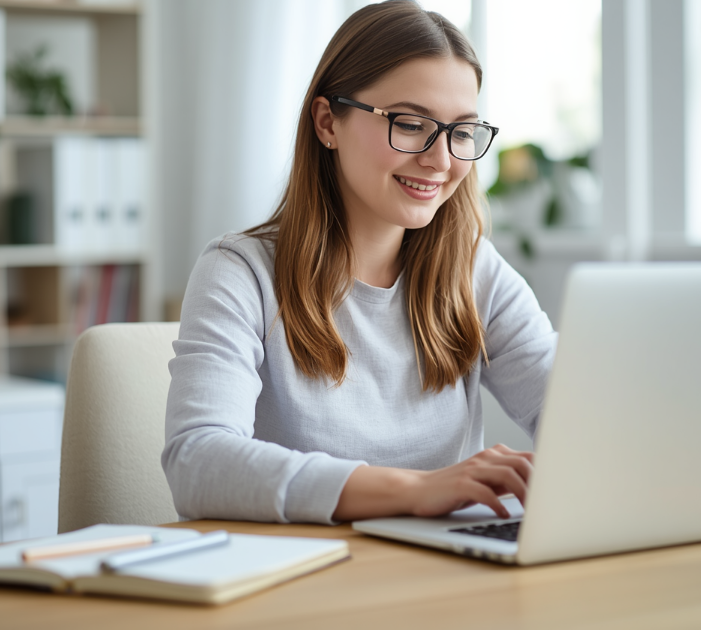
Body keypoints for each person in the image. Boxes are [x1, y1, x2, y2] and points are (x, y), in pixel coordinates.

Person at [161, 0, 556, 525]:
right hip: (302, 583)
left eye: (462, 132)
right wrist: (415, 489)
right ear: (328, 122)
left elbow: (578, 419)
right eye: (411, 124)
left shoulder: (475, 271)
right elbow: (197, 463)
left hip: (444, 581)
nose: (441, 160)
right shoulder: (241, 273)